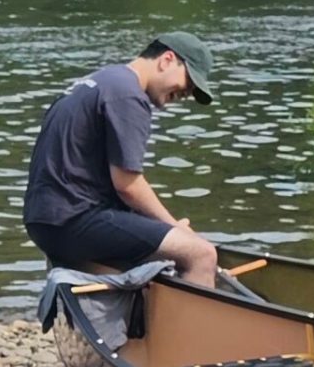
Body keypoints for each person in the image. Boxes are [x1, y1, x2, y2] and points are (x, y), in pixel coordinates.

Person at [23, 33, 219, 288]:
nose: (187, 93)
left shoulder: (99, 81)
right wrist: (174, 227)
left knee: (160, 252)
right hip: (73, 220)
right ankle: (197, 327)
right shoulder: (129, 95)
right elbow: (128, 186)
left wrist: (159, 229)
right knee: (201, 254)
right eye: (189, 82)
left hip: (45, 221)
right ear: (167, 60)